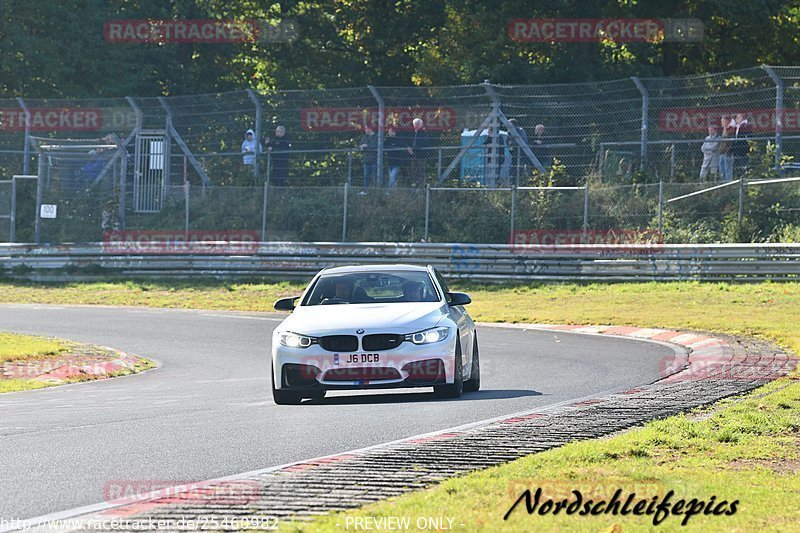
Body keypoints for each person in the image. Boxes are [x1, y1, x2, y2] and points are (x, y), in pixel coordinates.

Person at [406, 118, 430, 186]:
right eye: (415, 124)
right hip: (413, 155)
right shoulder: (412, 133)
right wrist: (408, 148)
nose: (416, 126)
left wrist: (413, 149)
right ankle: (414, 185)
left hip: (421, 155)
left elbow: (424, 144)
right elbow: (408, 142)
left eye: (418, 124)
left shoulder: (424, 133)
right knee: (413, 171)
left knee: (421, 171)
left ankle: (420, 186)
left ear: (421, 125)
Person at [718, 117, 734, 181]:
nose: (722, 123)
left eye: (723, 121)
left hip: (728, 153)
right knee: (722, 170)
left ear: (727, 121)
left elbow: (730, 142)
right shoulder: (723, 131)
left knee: (728, 169)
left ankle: (728, 183)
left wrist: (727, 151)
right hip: (722, 152)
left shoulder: (730, 130)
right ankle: (723, 182)